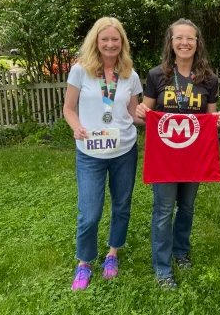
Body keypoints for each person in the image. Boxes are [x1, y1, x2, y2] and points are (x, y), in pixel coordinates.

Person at [136, 18, 220, 289]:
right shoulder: (157, 75)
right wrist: (141, 113)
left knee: (186, 208)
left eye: (190, 38)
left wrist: (219, 119)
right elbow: (145, 115)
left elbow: (210, 118)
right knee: (164, 210)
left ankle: (181, 252)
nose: (185, 43)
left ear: (197, 43)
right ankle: (162, 268)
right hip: (165, 156)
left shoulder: (209, 79)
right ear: (171, 42)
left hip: (193, 156)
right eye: (179, 38)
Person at [63, 16, 143, 291]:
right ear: (95, 41)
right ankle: (84, 262)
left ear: (122, 43)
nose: (110, 44)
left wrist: (156, 118)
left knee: (121, 205)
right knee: (90, 212)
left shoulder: (130, 75)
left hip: (124, 151)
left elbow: (134, 114)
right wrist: (76, 127)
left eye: (115, 39)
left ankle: (112, 254)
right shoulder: (80, 71)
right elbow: (69, 109)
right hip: (90, 152)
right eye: (105, 39)